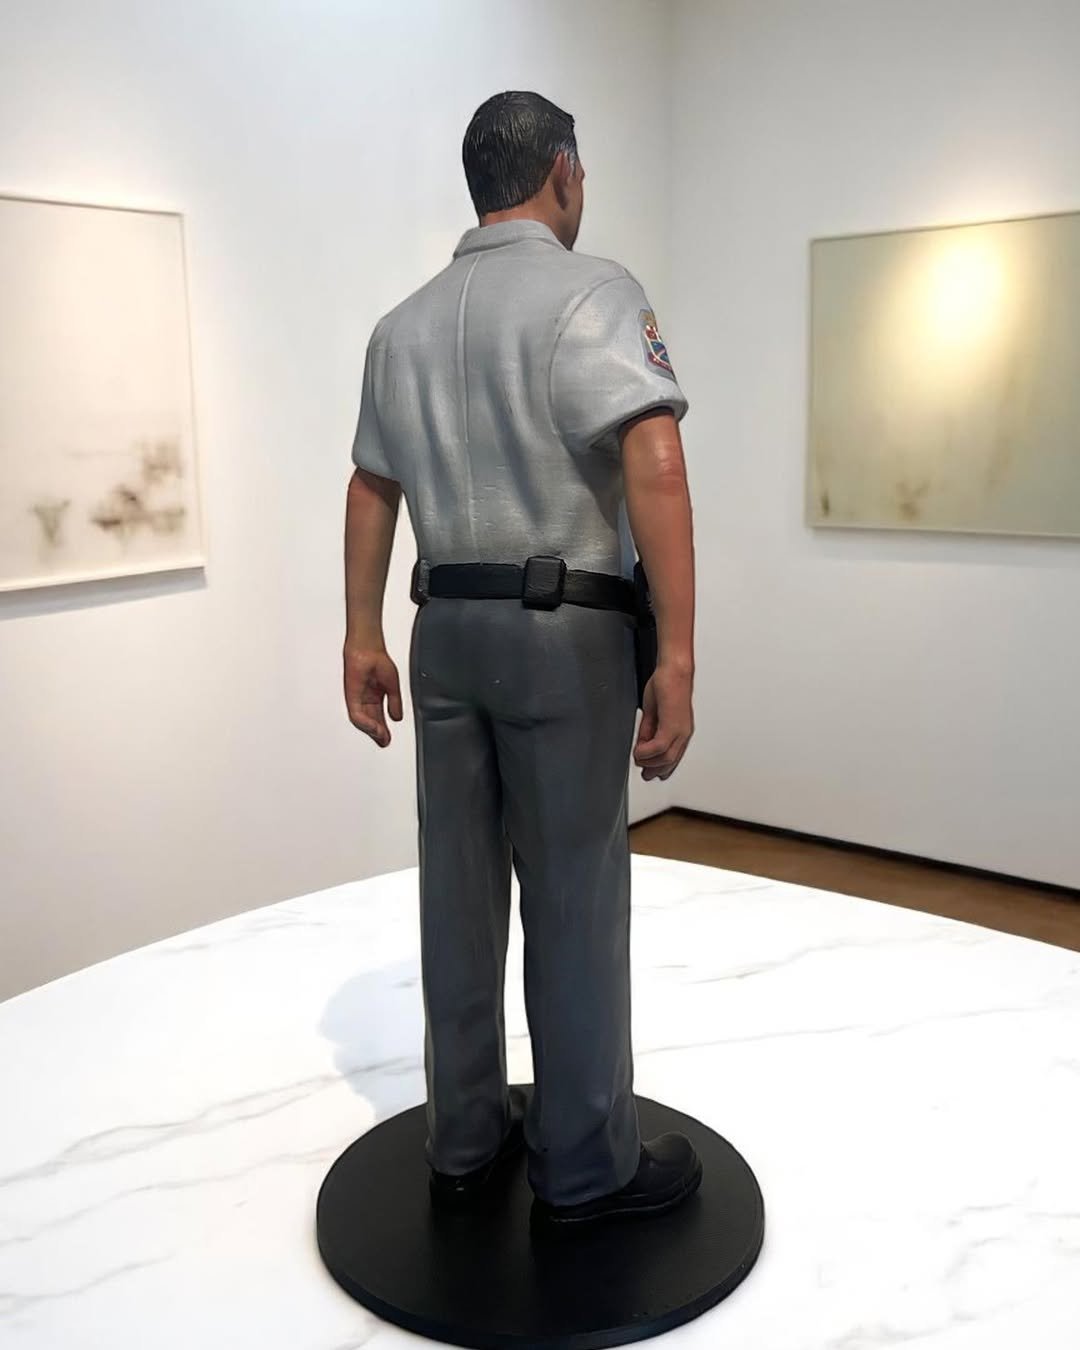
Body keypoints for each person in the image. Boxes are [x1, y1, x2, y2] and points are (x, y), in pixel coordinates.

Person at [342, 90, 697, 1226]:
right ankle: (586, 1165)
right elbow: (654, 457)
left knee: (456, 890)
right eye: (579, 171)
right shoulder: (596, 294)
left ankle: (463, 1136)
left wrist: (360, 631)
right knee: (575, 895)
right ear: (562, 171)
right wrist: (678, 654)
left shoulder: (400, 326)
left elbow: (371, 486)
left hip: (444, 630)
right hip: (563, 634)